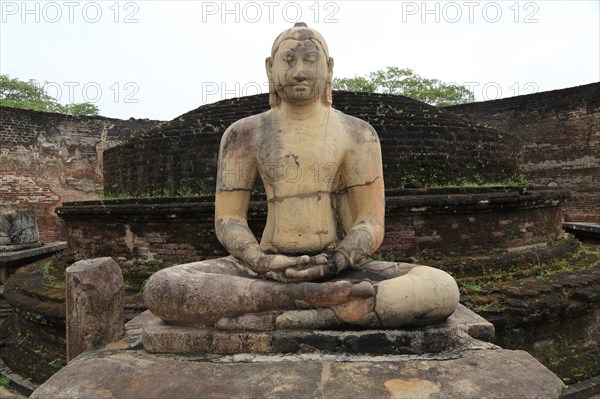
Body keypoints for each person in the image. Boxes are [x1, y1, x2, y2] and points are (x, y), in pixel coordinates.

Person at [144, 23, 459, 330]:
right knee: (164, 287)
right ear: (270, 68)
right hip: (264, 267)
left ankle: (296, 308)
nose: (299, 72)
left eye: (311, 60)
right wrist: (258, 259)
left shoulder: (358, 133)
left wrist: (336, 262)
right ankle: (324, 305)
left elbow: (370, 223)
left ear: (329, 68)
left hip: (337, 265)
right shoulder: (243, 134)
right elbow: (229, 220)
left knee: (440, 287)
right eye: (289, 60)